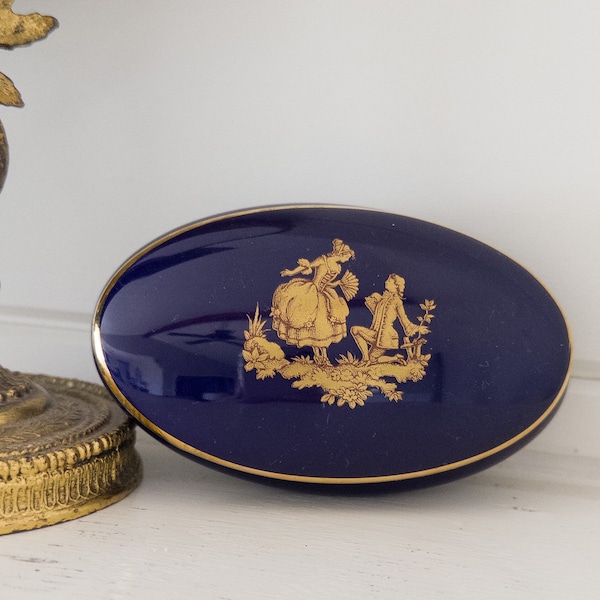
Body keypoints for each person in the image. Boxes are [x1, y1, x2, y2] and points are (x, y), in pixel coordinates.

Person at [271, 239, 355, 363]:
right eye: (347, 257)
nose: (347, 260)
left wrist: (337, 283)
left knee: (324, 324)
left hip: (325, 292)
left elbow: (327, 283)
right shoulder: (323, 260)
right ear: (341, 254)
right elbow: (308, 265)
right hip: (311, 291)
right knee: (313, 322)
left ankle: (324, 357)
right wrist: (291, 272)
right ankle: (317, 355)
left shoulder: (337, 266)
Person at [351, 274, 428, 364]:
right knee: (355, 330)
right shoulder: (383, 299)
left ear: (396, 285)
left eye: (388, 281)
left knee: (373, 360)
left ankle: (367, 360)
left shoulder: (397, 301)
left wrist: (418, 328)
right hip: (376, 333)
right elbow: (377, 315)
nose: (386, 282)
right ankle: (394, 358)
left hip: (385, 336)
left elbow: (404, 319)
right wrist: (373, 300)